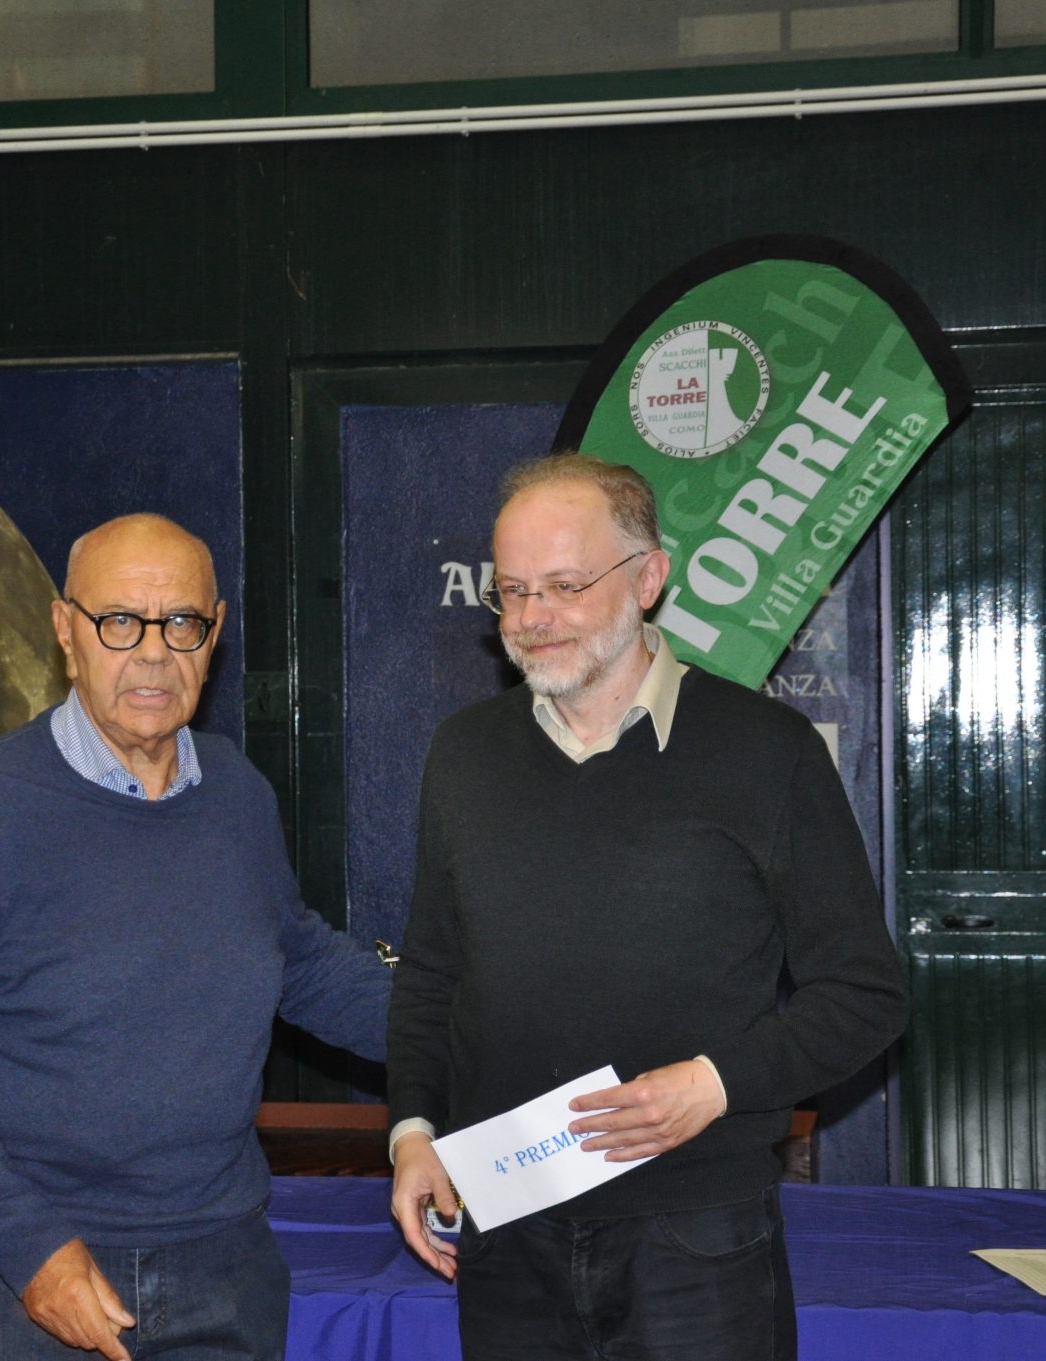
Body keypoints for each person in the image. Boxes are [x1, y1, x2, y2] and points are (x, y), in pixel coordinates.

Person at [0, 512, 391, 1361]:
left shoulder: (235, 793)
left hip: (222, 1269)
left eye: (181, 623)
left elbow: (299, 960)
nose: (154, 652)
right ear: (66, 630)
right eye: (120, 621)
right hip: (17, 1283)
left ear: (217, 630)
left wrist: (477, 1024)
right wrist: (30, 1249)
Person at [386, 454, 908, 1361]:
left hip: (696, 1237)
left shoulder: (764, 751)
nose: (530, 618)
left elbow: (866, 993)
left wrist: (714, 1083)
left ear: (650, 577)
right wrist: (412, 1131)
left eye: (562, 585)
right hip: (504, 1229)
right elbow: (432, 973)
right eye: (510, 591)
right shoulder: (462, 754)